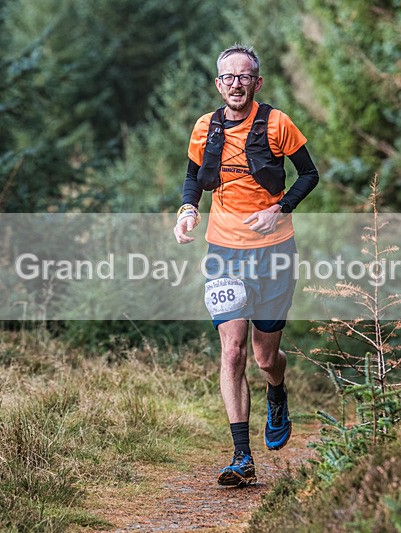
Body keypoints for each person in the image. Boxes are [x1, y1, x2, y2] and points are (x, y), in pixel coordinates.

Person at [173, 44, 319, 487]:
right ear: (218, 84)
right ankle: (241, 456)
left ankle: (277, 391)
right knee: (232, 350)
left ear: (257, 82)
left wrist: (280, 208)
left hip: (274, 252)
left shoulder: (277, 123)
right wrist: (188, 209)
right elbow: (192, 177)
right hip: (223, 252)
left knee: (264, 357)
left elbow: (309, 174)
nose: (236, 84)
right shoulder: (205, 126)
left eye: (244, 76)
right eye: (228, 77)